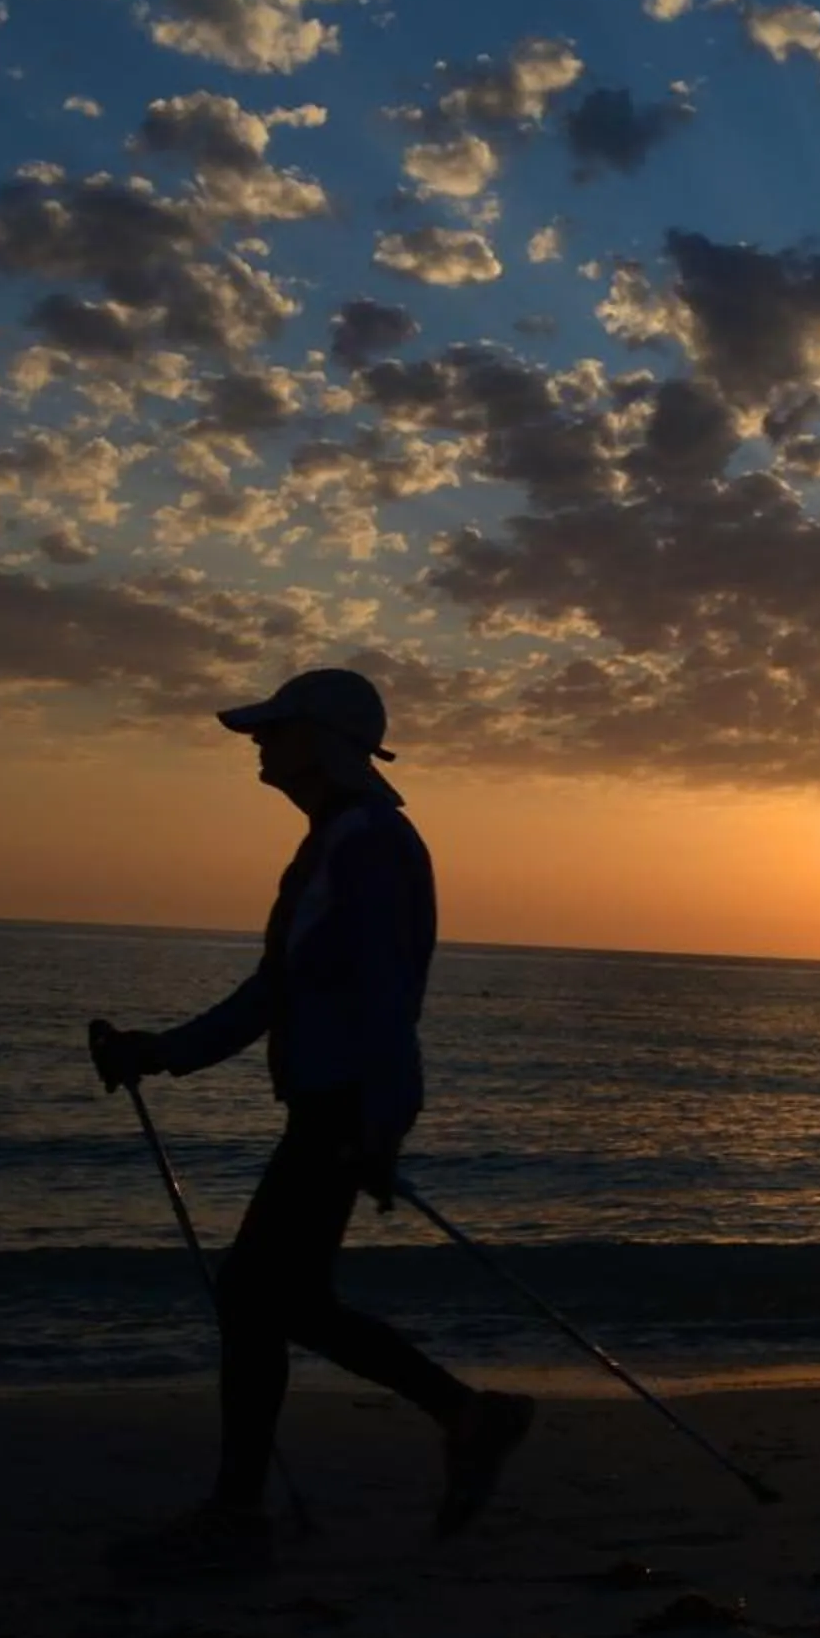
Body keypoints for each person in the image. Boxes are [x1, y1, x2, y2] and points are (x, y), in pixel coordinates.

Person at [92, 668, 532, 1581]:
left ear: (323, 743)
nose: (259, 743)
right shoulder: (339, 840)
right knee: (280, 1300)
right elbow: (280, 988)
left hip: (340, 1107)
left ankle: (248, 1506)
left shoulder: (367, 846)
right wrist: (163, 1051)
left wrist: (382, 1123)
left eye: (275, 730)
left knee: (260, 1298)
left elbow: (385, 999)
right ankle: (456, 1419)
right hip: (332, 1104)